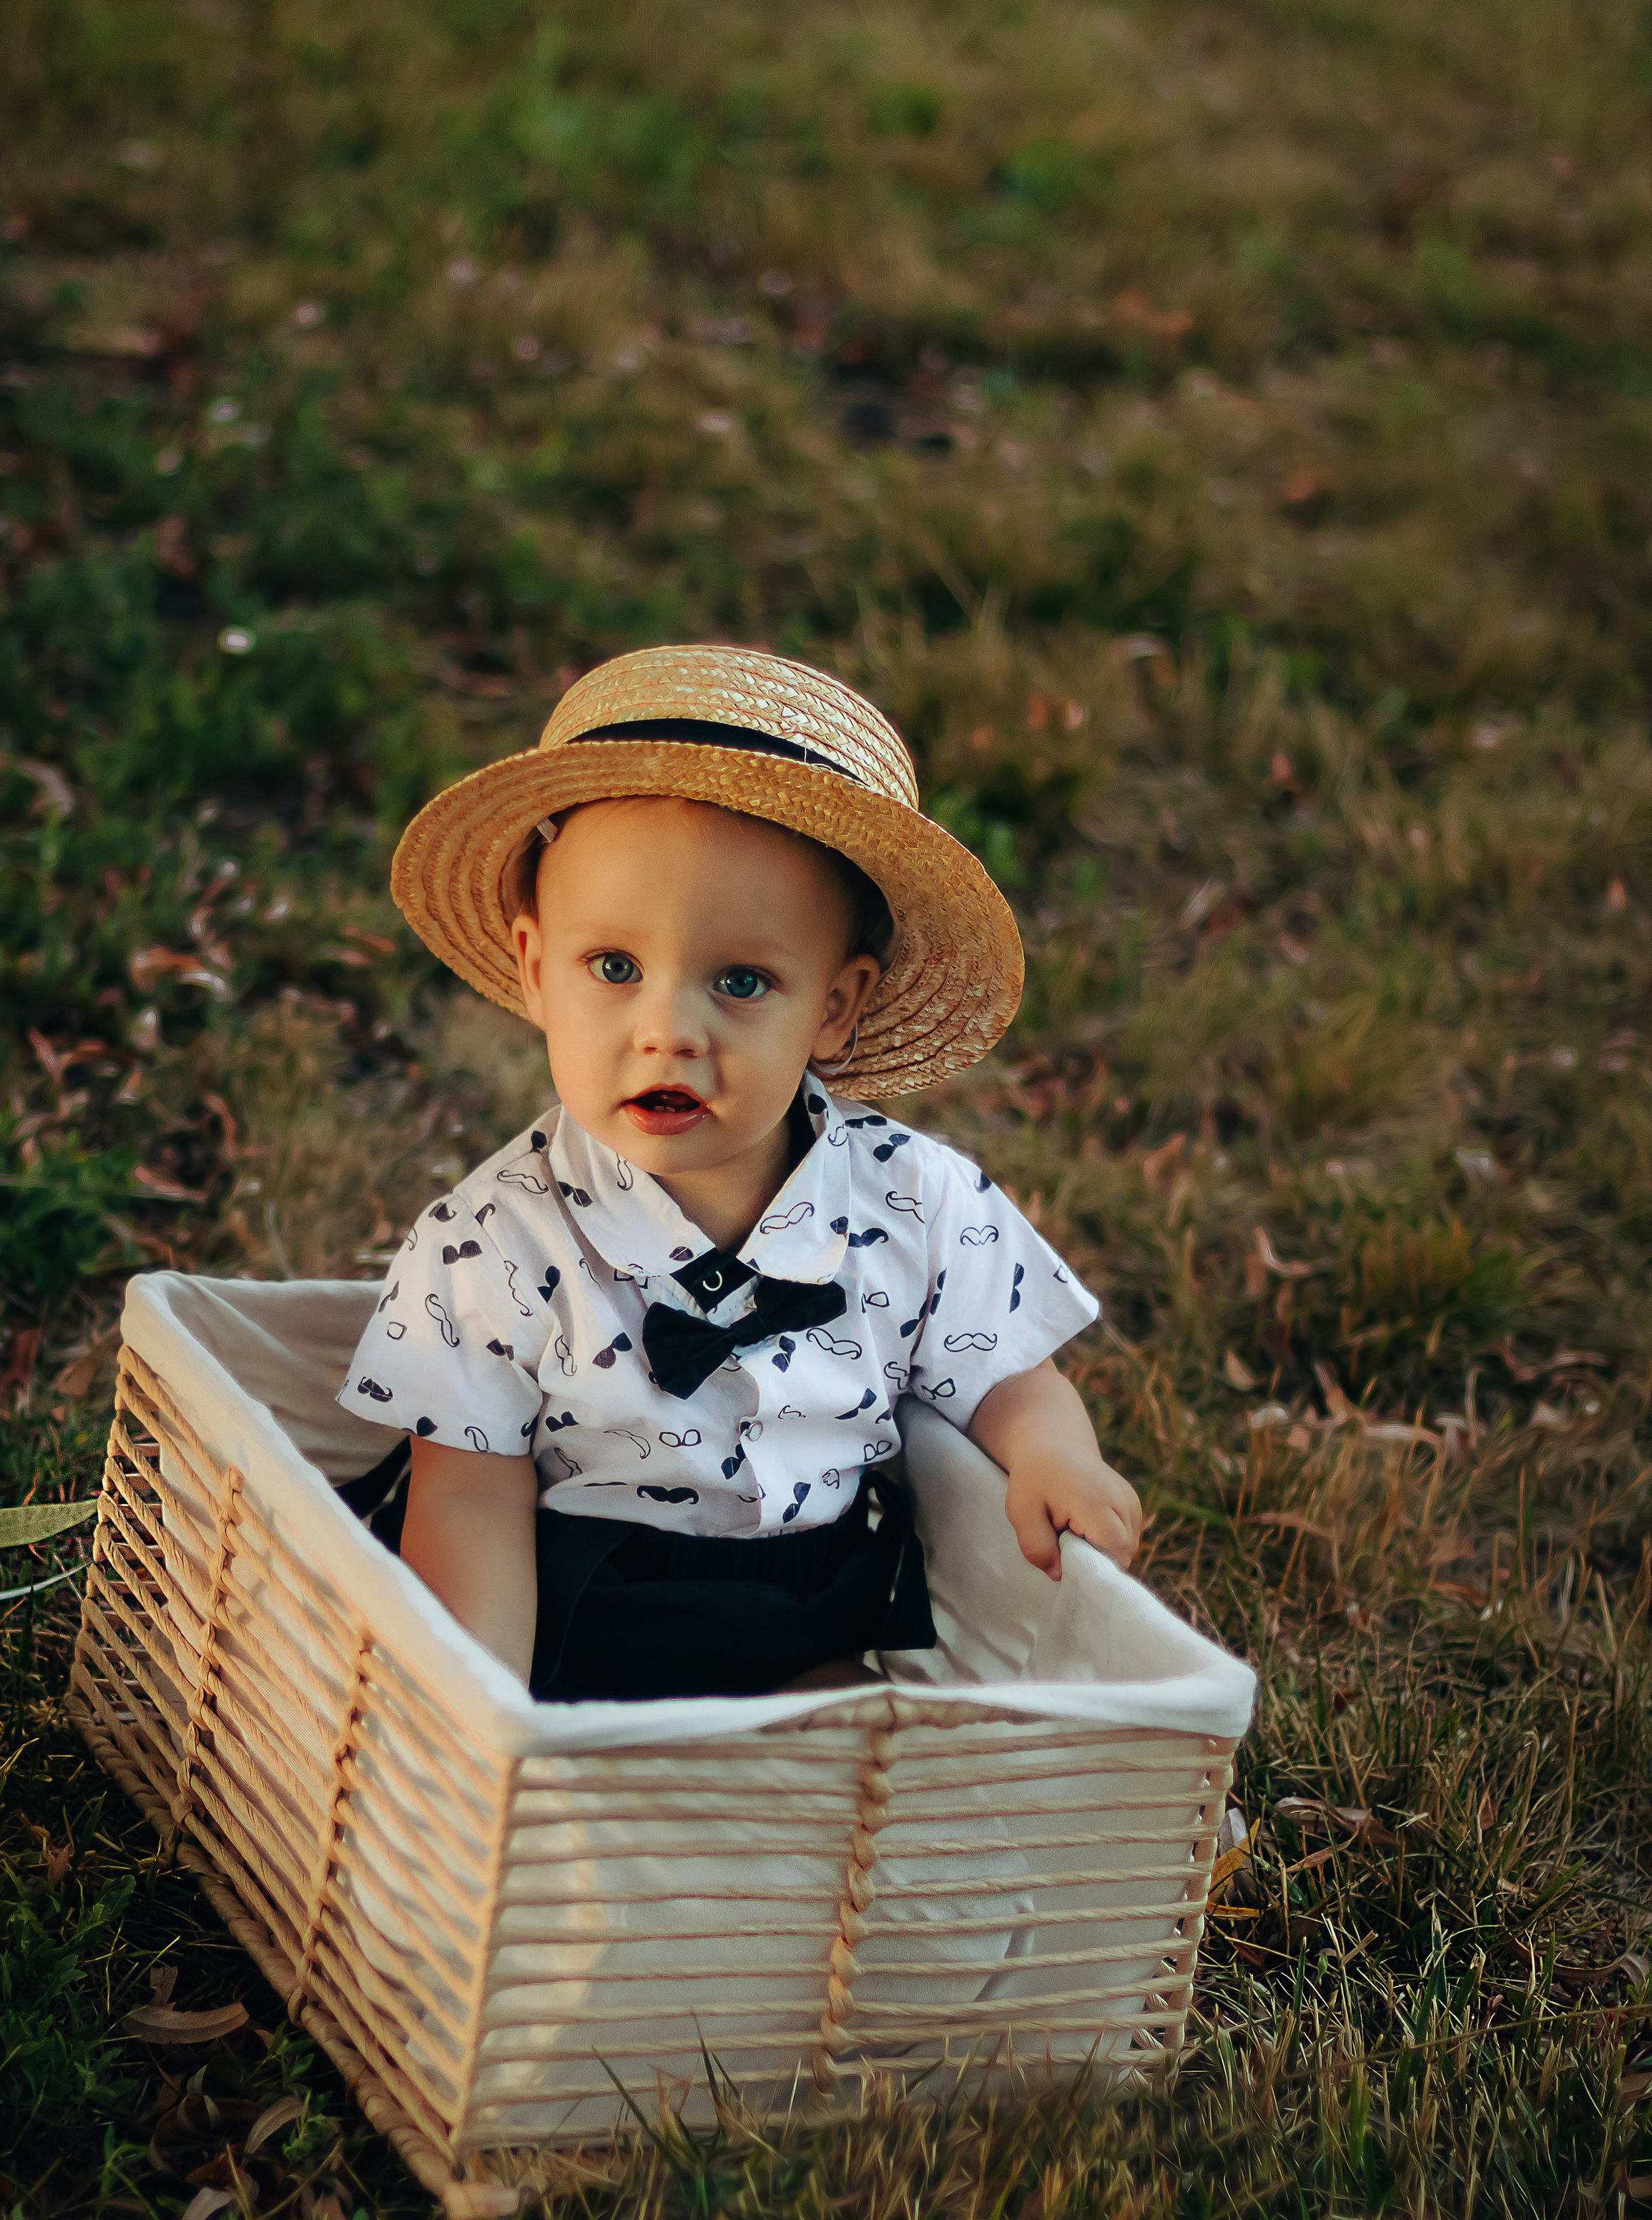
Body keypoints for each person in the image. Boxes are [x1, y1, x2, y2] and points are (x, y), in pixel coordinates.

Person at [338, 645, 1141, 1698]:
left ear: (836, 1008)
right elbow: (467, 1502)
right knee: (583, 1807)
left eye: (742, 981)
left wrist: (1050, 1454)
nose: (669, 1032)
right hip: (578, 1621)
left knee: (864, 1757)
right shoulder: (490, 1241)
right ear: (537, 972)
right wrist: (487, 1711)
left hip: (815, 1611)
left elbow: (1008, 1381)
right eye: (614, 969)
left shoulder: (917, 1201)